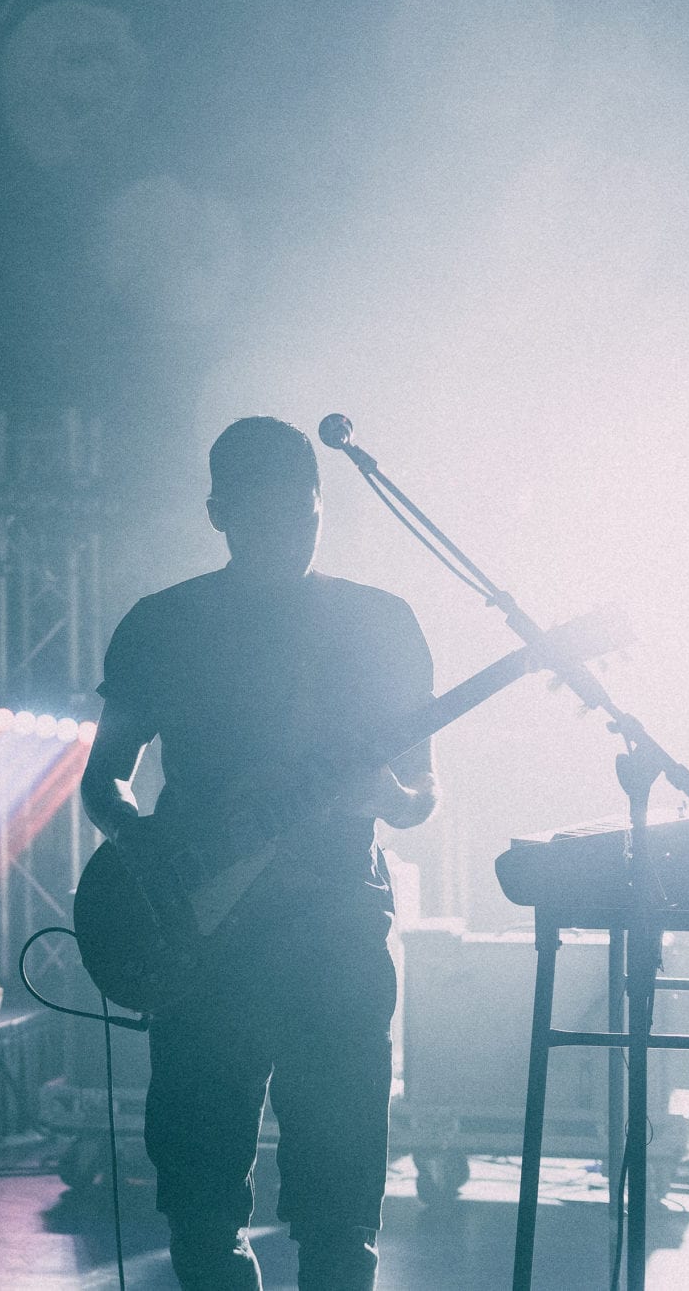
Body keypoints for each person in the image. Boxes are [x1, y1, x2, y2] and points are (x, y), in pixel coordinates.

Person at [79, 416, 438, 1291]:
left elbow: (422, 790)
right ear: (219, 512)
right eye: (266, 517)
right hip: (203, 936)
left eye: (304, 516)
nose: (289, 535)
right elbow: (102, 778)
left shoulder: (380, 623)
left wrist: (385, 797)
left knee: (342, 1202)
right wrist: (144, 849)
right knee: (201, 1194)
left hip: (337, 924)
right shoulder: (164, 623)